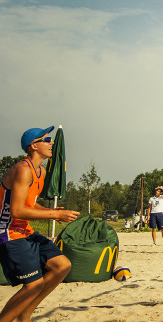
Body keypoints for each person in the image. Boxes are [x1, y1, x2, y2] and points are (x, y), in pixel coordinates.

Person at [0, 126, 80, 322]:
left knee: (62, 266)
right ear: (34, 146)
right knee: (33, 284)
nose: (51, 143)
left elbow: (30, 203)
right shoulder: (22, 169)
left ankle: (26, 312)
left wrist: (53, 212)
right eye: (47, 139)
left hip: (24, 231)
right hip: (8, 232)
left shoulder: (41, 172)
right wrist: (53, 215)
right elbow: (17, 210)